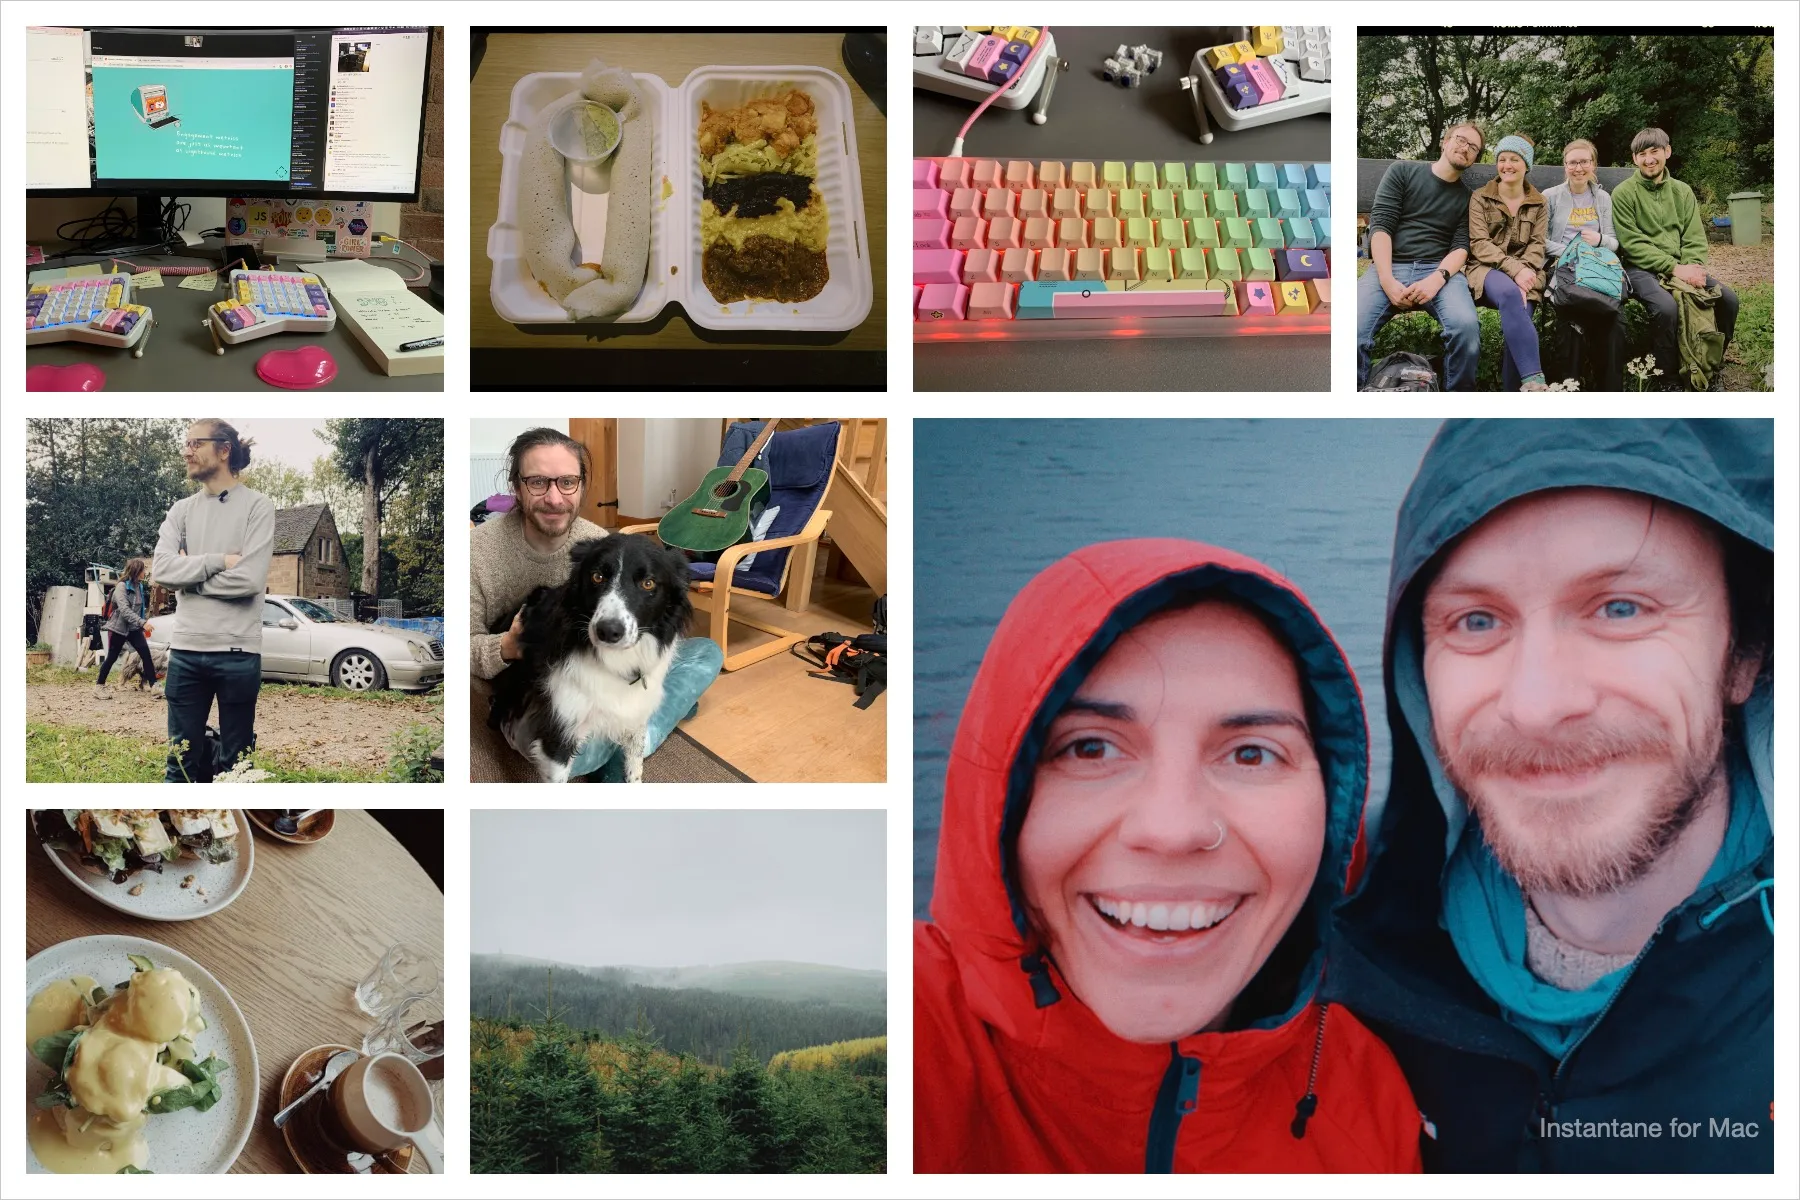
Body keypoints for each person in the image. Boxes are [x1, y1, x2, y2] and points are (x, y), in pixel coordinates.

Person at [1327, 419, 1773, 1171]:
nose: (1537, 703)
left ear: (1745, 657)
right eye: (1477, 621)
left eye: (1621, 609)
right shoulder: (1326, 944)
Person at [915, 539, 1423, 1173]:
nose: (1174, 829)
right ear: (1004, 793)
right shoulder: (904, 1043)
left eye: (1251, 753)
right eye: (1091, 749)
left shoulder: (1370, 1099)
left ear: (1331, 806)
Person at [469, 427, 722, 781]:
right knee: (560, 746)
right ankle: (644, 725)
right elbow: (455, 648)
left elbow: (647, 609)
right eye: (538, 482)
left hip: (611, 665)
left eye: (567, 482)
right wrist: (506, 647)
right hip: (532, 675)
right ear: (517, 486)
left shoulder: (600, 542)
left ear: (581, 487)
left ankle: (638, 727)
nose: (555, 498)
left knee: (708, 653)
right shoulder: (474, 551)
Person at [151, 420, 275, 783]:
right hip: (186, 652)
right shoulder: (181, 510)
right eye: (185, 443)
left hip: (238, 654)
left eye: (195, 443)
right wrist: (217, 561)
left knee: (236, 766)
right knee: (180, 762)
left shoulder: (258, 506)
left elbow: (250, 580)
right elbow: (161, 569)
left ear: (224, 450)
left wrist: (188, 582)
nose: (186, 450)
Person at [1611, 128, 1739, 389]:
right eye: (1642, 154)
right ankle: (1667, 379)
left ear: (1667, 151)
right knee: (1667, 308)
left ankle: (1710, 365)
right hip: (1640, 269)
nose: (1649, 159)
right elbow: (1632, 244)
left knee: (1728, 300)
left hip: (1683, 266)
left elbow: (1694, 237)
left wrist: (1692, 268)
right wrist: (1673, 268)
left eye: (1654, 151)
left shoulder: (1682, 191)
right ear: (1634, 159)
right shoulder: (1623, 193)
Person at [1358, 121, 1482, 390]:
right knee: (1351, 328)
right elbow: (1381, 226)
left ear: (1474, 159)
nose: (1466, 148)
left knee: (1466, 329)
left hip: (1439, 273)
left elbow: (1461, 246)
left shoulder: (1468, 198)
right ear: (1445, 141)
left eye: (1473, 147)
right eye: (1461, 140)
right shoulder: (1403, 171)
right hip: (1391, 265)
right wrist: (1386, 279)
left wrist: (1436, 280)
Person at [1465, 135, 1548, 390]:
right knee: (1512, 296)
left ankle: (1512, 395)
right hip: (1486, 269)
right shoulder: (1480, 197)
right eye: (1502, 159)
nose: (1507, 165)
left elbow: (1537, 244)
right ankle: (1535, 382)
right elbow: (1479, 243)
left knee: (1522, 315)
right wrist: (1516, 272)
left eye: (1514, 159)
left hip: (1528, 273)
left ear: (1526, 165)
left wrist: (1525, 275)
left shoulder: (1539, 202)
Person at [1541, 139, 1625, 390]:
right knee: (1571, 312)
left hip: (1598, 266)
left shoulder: (1602, 198)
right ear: (1564, 166)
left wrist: (1599, 240)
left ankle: (1609, 390)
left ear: (1593, 164)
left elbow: (1614, 242)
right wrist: (1572, 251)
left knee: (1614, 319)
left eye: (1584, 162)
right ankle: (1569, 386)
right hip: (1564, 265)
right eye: (1572, 162)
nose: (1578, 168)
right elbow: (1541, 241)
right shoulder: (1551, 196)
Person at [93, 558, 160, 699]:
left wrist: (140, 624)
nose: (145, 573)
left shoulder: (139, 586)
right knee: (111, 657)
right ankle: (99, 687)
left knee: (146, 655)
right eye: (143, 570)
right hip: (119, 627)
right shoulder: (121, 587)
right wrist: (142, 623)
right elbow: (124, 610)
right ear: (136, 571)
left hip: (134, 628)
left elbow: (140, 608)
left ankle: (154, 686)